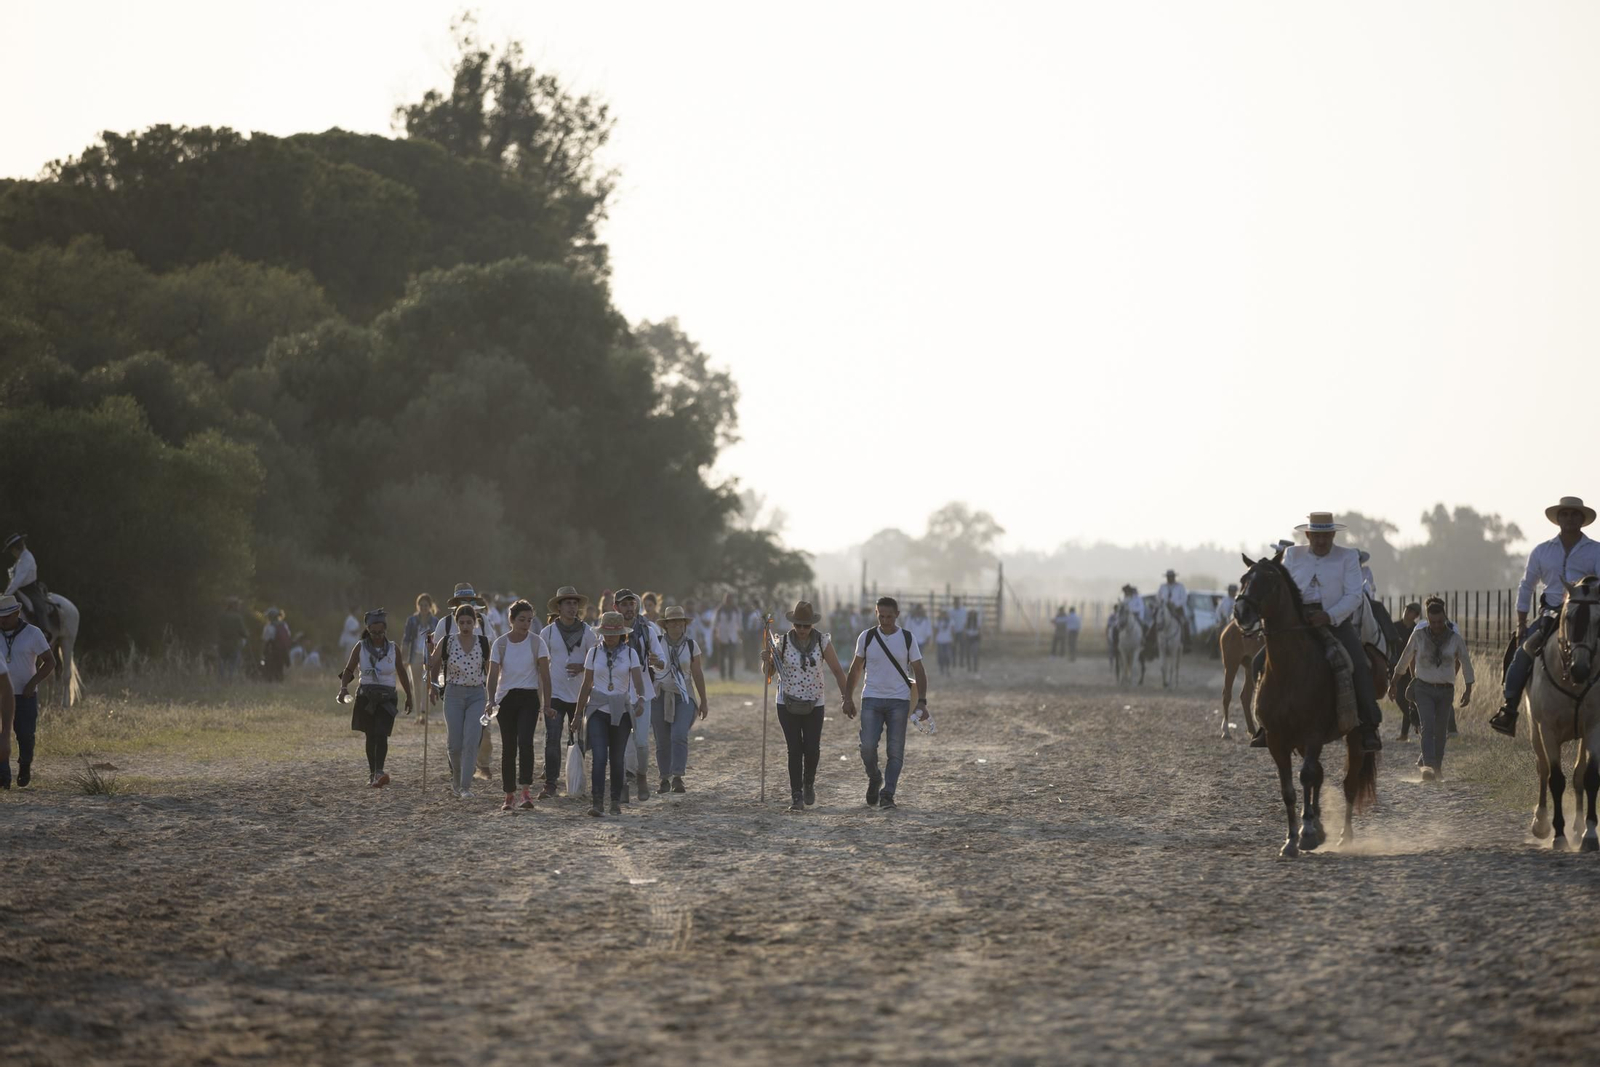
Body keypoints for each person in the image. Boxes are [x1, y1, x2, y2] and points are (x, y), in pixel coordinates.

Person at [1253, 513, 1383, 753]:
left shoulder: (1347, 557)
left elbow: (1354, 596)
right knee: (1258, 662)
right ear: (1308, 535)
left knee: (1359, 664)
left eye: (1326, 536)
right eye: (1317, 536)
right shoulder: (1292, 555)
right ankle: (1266, 723)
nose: (1321, 541)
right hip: (1297, 623)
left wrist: (1329, 615)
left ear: (1333, 534)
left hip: (1336, 621)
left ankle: (1368, 725)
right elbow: (1282, 589)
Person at [1490, 496, 1600, 736]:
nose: (1569, 519)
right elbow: (1527, 585)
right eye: (1565, 514)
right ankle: (1509, 708)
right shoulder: (1542, 551)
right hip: (1551, 614)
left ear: (1582, 520)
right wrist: (1521, 622)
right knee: (1522, 651)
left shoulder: (1596, 550)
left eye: (1574, 515)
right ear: (1558, 519)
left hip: (1586, 612)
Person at [843, 596, 931, 810]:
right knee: (867, 747)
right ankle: (874, 777)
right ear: (876, 614)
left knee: (895, 750)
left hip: (899, 700)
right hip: (871, 698)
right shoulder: (867, 637)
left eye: (889, 616)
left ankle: (888, 794)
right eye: (881, 616)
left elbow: (919, 670)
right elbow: (855, 669)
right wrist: (847, 697)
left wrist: (922, 702)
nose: (885, 620)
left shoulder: (908, 638)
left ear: (897, 615)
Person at [763, 601, 850, 811]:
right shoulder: (781, 643)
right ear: (793, 624)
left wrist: (846, 697)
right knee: (794, 749)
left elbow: (838, 671)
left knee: (811, 748)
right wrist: (767, 660)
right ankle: (796, 795)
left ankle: (808, 782)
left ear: (812, 625)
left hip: (815, 701)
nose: (802, 630)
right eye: (798, 625)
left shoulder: (822, 642)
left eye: (806, 626)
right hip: (787, 701)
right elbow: (769, 674)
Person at [1388, 597, 1473, 780]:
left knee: (1441, 730)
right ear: (1427, 619)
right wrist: (1395, 681)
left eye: (1440, 622)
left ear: (1445, 617)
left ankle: (1438, 767)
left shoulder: (1454, 637)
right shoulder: (1418, 635)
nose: (1436, 626)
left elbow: (1465, 662)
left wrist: (1468, 687)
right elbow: (1405, 658)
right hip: (1424, 688)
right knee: (1427, 726)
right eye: (1433, 622)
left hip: (1446, 690)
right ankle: (1428, 766)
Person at [573, 611, 646, 817]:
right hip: (597, 708)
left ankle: (615, 800)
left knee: (617, 758)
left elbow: (638, 681)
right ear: (602, 633)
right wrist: (578, 714)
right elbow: (586, 684)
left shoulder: (630, 654)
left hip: (620, 710)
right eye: (607, 632)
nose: (610, 637)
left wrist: (640, 698)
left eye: (614, 633)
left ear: (622, 633)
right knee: (599, 756)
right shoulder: (594, 653)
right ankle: (597, 801)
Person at [487, 599, 554, 812]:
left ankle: (526, 790)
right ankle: (509, 794)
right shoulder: (500, 644)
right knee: (508, 746)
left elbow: (545, 675)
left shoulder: (537, 643)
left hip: (528, 698)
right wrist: (490, 699)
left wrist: (547, 704)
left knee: (525, 742)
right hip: (506, 698)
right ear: (511, 620)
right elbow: (493, 674)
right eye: (522, 620)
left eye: (530, 620)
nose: (526, 624)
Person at [337, 609, 415, 788]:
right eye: (374, 633)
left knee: (382, 734)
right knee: (370, 735)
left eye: (381, 632)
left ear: (385, 630)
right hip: (366, 696)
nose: (378, 636)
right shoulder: (360, 647)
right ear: (368, 630)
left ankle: (379, 771)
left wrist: (409, 696)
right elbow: (349, 670)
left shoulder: (393, 648)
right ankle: (373, 773)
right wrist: (343, 688)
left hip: (387, 697)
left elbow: (402, 673)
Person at [427, 602, 491, 798]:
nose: (465, 626)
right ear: (456, 623)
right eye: (462, 622)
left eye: (469, 622)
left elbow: (490, 670)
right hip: (453, 694)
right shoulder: (447, 641)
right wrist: (428, 649)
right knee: (454, 745)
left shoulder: (483, 642)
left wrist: (493, 696)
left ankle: (465, 787)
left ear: (475, 623)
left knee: (471, 741)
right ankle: (456, 779)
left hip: (477, 695)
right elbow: (432, 662)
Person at [541, 586, 596, 798]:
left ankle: (576, 782)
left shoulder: (588, 632)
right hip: (555, 693)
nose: (572, 607)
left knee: (578, 740)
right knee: (552, 738)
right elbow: (541, 663)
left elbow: (597, 658)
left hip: (579, 694)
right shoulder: (548, 633)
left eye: (575, 603)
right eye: (567, 603)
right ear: (559, 607)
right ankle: (551, 783)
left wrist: (583, 667)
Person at [615, 589, 665, 802]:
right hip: (617, 694)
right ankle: (624, 783)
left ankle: (642, 776)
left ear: (636, 606)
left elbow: (662, 661)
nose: (628, 608)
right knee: (621, 742)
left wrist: (657, 662)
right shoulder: (608, 630)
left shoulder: (648, 629)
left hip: (642, 692)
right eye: (624, 604)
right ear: (616, 607)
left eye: (631, 604)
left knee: (642, 742)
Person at [0, 595, 54, 789]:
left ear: (16, 613)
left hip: (24, 694)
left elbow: (50, 661)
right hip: (1, 695)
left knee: (25, 734)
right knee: (1, 734)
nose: (2, 620)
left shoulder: (33, 633)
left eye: (6, 616)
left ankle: (25, 764)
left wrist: (32, 683)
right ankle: (3, 777)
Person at [655, 605, 710, 794]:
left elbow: (697, 673)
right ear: (666, 624)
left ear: (684, 624)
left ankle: (677, 776)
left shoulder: (691, 645)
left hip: (685, 694)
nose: (677, 624)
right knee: (662, 739)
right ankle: (664, 777)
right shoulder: (657, 642)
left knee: (679, 734)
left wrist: (703, 700)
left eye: (680, 621)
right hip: (660, 693)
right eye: (673, 621)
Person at [2, 534, 52, 643]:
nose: (12, 553)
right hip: (19, 589)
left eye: (12, 550)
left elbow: (17, 581)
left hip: (30, 590)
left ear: (16, 548)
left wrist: (5, 595)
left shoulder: (27, 559)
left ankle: (44, 631)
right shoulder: (20, 560)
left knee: (38, 606)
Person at [1390, 602, 1423, 741]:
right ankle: (1417, 724)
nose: (1407, 612)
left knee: (1408, 700)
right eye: (1406, 609)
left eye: (1411, 611)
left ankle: (1405, 734)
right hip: (1395, 669)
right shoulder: (1394, 627)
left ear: (1415, 615)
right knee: (1399, 699)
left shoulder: (1417, 631)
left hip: (1411, 670)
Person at [401, 594, 437, 722]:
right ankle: (418, 715)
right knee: (415, 685)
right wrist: (403, 657)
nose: (423, 608)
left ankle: (425, 712)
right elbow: (406, 640)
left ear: (430, 606)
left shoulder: (435, 621)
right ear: (418, 606)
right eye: (421, 605)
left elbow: (437, 640)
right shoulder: (411, 621)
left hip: (429, 655)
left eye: (426, 605)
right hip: (415, 655)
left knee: (426, 684)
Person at [1156, 569, 1190, 650]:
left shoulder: (1180, 586)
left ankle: (1185, 642)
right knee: (1156, 621)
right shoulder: (1162, 586)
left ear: (1174, 577)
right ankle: (1154, 642)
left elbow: (1184, 598)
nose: (1170, 578)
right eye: (1168, 577)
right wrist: (1162, 602)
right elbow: (1157, 596)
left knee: (1184, 622)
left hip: (1177, 609)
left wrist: (1175, 604)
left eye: (1171, 577)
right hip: (1164, 608)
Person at [217, 597, 247, 680]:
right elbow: (243, 632)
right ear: (234, 606)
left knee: (222, 662)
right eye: (238, 605)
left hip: (222, 644)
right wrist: (247, 635)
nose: (239, 606)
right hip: (234, 644)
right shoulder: (238, 617)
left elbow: (219, 629)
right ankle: (230, 680)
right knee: (233, 664)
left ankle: (221, 679)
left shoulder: (221, 616)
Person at [714, 592, 741, 681]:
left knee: (732, 656)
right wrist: (716, 636)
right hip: (722, 636)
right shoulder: (720, 610)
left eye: (730, 598)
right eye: (727, 598)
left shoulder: (736, 610)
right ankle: (722, 676)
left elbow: (739, 624)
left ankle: (731, 675)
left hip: (732, 636)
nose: (729, 600)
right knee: (722, 657)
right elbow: (715, 624)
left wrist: (739, 636)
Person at [261, 608, 290, 682]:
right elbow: (288, 636)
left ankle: (270, 683)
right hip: (284, 650)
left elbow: (266, 639)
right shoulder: (284, 625)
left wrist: (263, 651)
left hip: (273, 651)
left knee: (270, 668)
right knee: (280, 668)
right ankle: (280, 683)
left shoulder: (269, 627)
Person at [949, 597, 970, 670]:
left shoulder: (963, 611)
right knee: (953, 648)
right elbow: (950, 622)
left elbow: (965, 621)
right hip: (954, 631)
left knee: (962, 647)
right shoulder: (951, 611)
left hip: (961, 631)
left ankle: (961, 662)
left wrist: (964, 630)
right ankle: (954, 662)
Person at [933, 609, 955, 675]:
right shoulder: (938, 621)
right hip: (940, 641)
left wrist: (953, 639)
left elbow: (952, 631)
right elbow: (935, 631)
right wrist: (934, 640)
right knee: (940, 656)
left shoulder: (951, 621)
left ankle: (947, 669)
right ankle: (941, 669)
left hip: (948, 641)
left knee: (947, 656)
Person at [964, 605, 983, 673]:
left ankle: (975, 667)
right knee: (968, 653)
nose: (972, 615)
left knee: (975, 653)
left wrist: (980, 638)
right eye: (971, 614)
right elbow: (965, 628)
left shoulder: (977, 620)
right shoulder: (967, 620)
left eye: (973, 614)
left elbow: (979, 629)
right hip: (969, 637)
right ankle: (969, 667)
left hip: (975, 637)